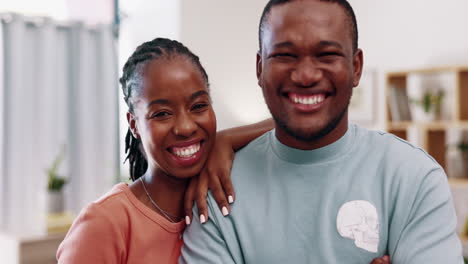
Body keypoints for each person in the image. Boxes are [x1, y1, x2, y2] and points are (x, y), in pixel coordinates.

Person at [180, 0, 464, 263]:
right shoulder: (216, 190)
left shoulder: (413, 177)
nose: (306, 75)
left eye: (326, 54)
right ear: (259, 67)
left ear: (355, 67)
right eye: (285, 55)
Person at [56, 37, 273, 263]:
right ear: (134, 124)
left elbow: (301, 122)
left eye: (198, 106)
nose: (186, 127)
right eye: (162, 114)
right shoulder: (104, 223)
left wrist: (225, 139)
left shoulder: (223, 199)